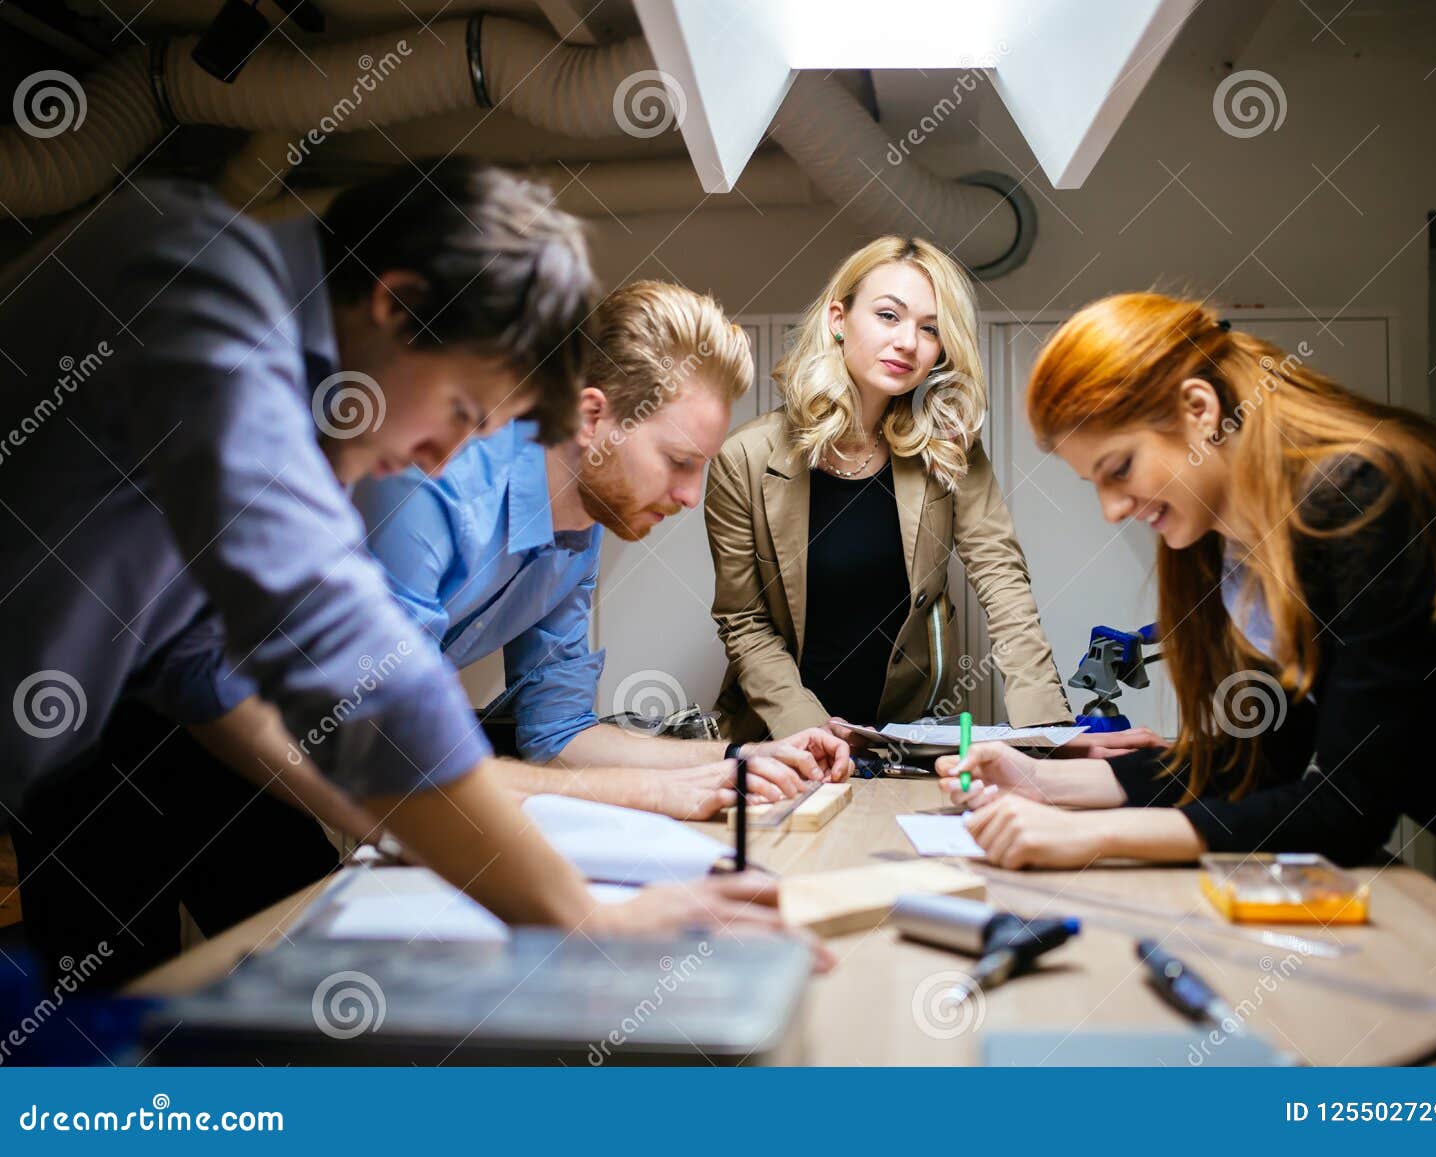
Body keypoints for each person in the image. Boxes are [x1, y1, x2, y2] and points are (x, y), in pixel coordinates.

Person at [0, 160, 790, 988]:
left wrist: (432, 841)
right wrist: (587, 919)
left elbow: (211, 675)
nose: (445, 456)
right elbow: (357, 666)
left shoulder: (262, 410)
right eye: (460, 411)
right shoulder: (191, 275)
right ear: (398, 303)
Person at [938, 290, 1436, 972]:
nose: (1112, 509)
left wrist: (1089, 837)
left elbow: (1345, 812)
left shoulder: (1365, 500)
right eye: (1093, 484)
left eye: (1121, 468)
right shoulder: (1229, 544)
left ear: (1200, 411)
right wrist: (1045, 784)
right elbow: (1255, 760)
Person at [354, 280, 851, 823]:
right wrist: (653, 794)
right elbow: (397, 756)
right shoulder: (432, 483)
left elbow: (558, 733)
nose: (690, 496)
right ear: (593, 418)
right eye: (679, 461)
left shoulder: (582, 525)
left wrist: (737, 758)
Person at [705, 235, 1087, 747]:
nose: (908, 341)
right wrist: (812, 732)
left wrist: (1049, 730)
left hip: (905, 739)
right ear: (838, 319)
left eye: (930, 328)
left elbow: (1001, 577)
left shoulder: (949, 445)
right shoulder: (745, 459)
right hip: (780, 739)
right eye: (889, 315)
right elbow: (744, 620)